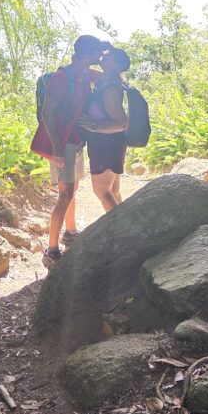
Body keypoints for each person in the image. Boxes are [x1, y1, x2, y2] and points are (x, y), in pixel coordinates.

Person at [31, 34, 110, 268]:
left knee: (73, 188)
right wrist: (56, 146)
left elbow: (110, 77)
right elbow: (47, 112)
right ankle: (51, 250)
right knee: (64, 194)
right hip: (62, 142)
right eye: (97, 52)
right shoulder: (62, 77)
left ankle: (71, 232)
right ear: (87, 54)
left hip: (76, 141)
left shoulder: (84, 75)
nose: (100, 56)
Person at [80, 47, 131, 211]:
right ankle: (129, 229)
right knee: (113, 191)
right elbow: (83, 68)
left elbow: (122, 123)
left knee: (102, 191)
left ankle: (121, 233)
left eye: (110, 55)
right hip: (111, 144)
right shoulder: (106, 81)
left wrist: (93, 126)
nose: (104, 54)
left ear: (116, 65)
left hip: (106, 145)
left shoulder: (110, 89)